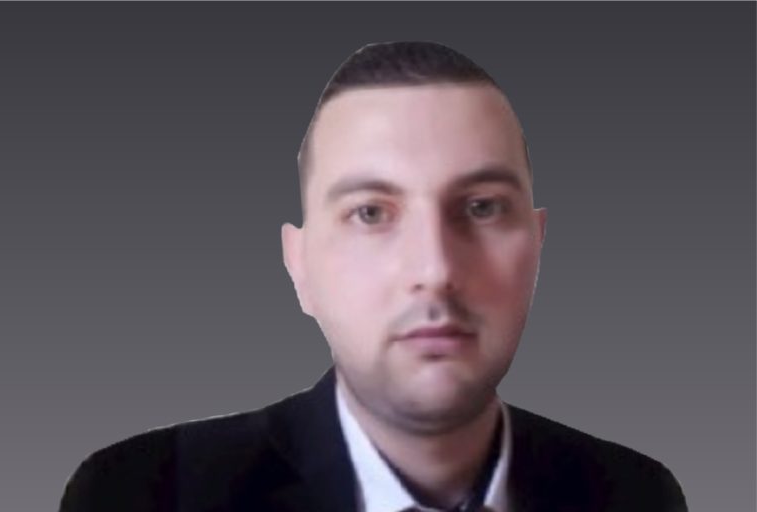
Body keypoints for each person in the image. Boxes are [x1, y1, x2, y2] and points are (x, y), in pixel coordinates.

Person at [59, 41, 688, 512]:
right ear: (299, 266)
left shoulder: (637, 495)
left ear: (538, 245)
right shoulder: (143, 494)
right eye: (370, 213)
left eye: (481, 207)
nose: (435, 270)